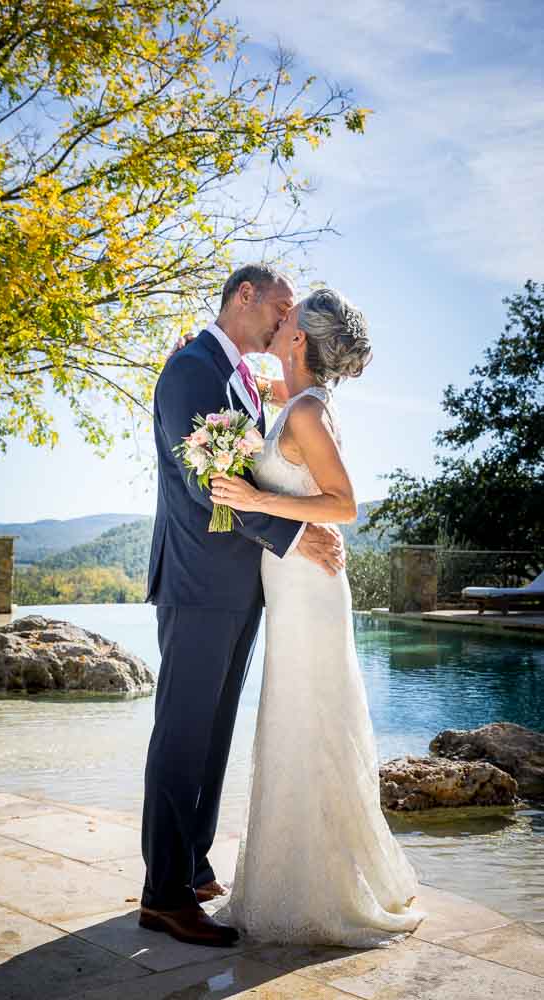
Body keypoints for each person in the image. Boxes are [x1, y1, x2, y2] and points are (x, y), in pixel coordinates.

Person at [209, 286, 428, 946]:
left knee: (305, 718)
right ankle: (299, 880)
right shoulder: (295, 401)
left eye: (288, 316)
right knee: (292, 719)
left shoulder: (306, 410)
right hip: (293, 584)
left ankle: (317, 895)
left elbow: (343, 506)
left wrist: (254, 497)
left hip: (308, 589)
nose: (278, 320)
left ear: (299, 339)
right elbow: (242, 396)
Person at [140, 265, 346, 947]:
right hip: (198, 585)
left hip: (239, 586)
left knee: (213, 733)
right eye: (280, 308)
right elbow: (211, 485)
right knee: (181, 735)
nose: (285, 322)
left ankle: (192, 864)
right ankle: (163, 894)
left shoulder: (243, 379)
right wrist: (295, 534)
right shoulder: (191, 369)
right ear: (244, 297)